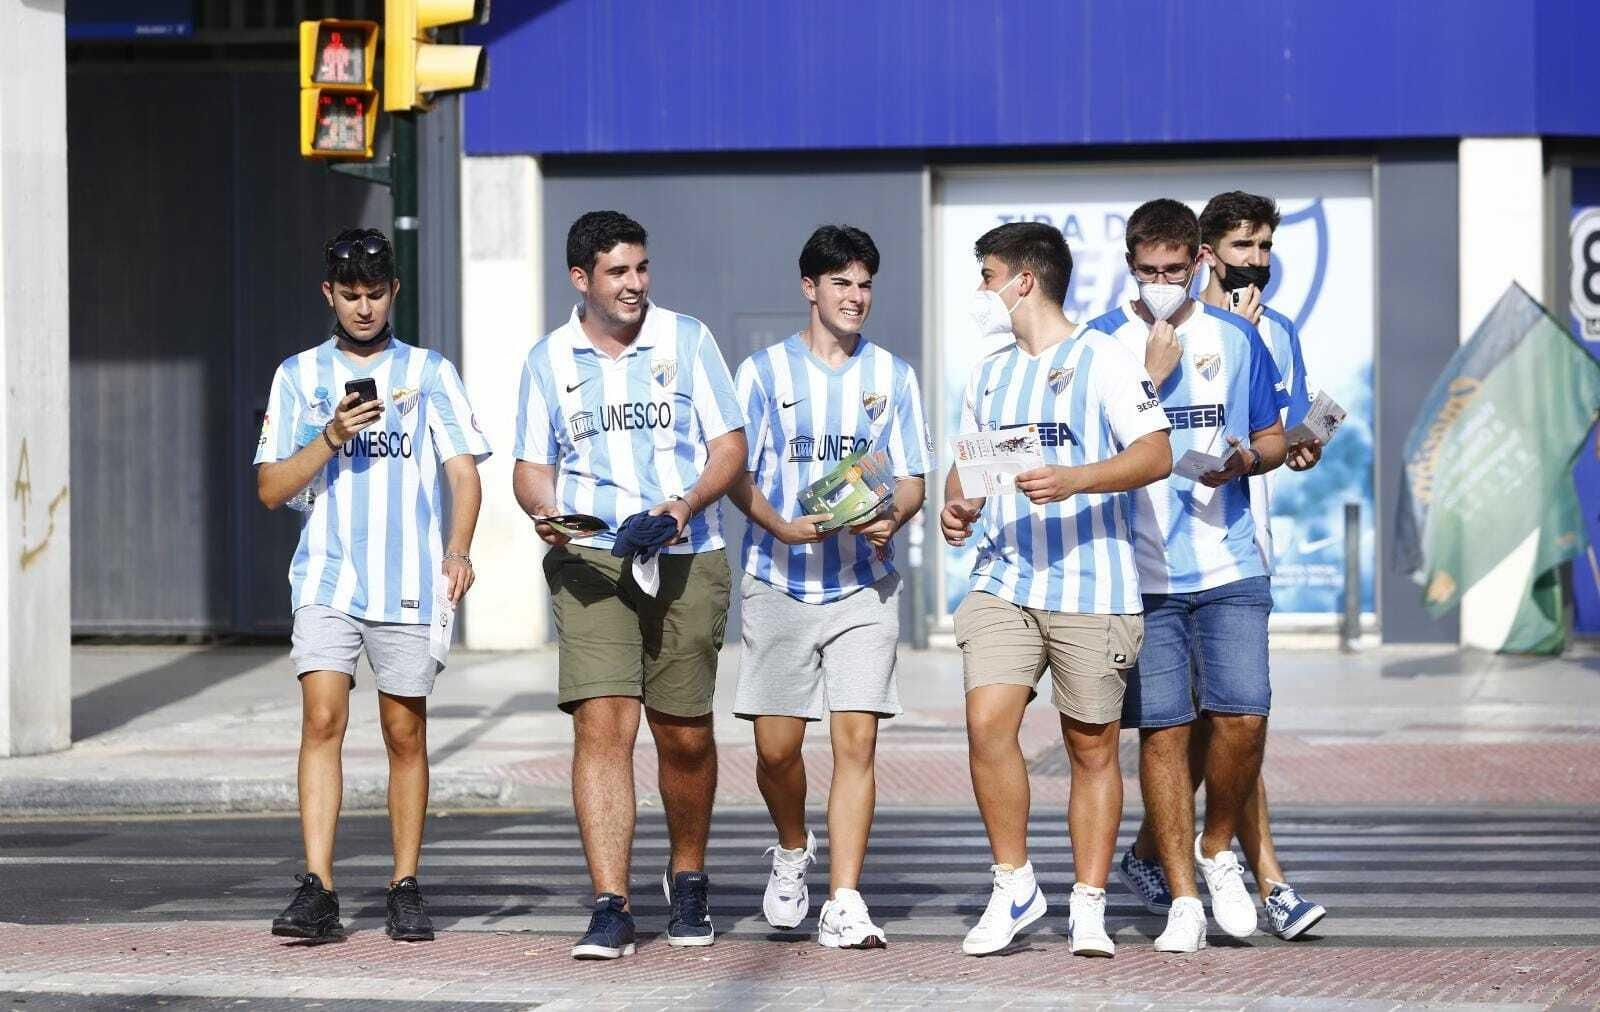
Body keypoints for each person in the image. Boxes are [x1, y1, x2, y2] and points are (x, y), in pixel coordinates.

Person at [512, 211, 747, 960]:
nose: (635, 284)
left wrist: (683, 505)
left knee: (683, 734)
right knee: (602, 725)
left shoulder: (688, 339)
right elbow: (529, 466)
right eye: (618, 272)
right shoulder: (547, 360)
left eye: (641, 268)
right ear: (581, 279)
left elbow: (728, 447)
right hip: (592, 561)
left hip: (684, 554)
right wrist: (545, 512)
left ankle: (689, 877)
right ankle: (612, 902)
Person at [941, 222, 1172, 957]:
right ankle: (1013, 883)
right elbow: (970, 467)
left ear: (1024, 281)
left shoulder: (1104, 359)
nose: (980, 290)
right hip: (1004, 580)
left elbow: (1155, 453)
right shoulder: (990, 371)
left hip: (1093, 587)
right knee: (987, 726)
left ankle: (1090, 902)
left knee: (1091, 747)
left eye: (987, 275)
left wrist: (1075, 478)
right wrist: (957, 503)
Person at [255, 227, 489, 943]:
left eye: (375, 294)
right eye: (350, 295)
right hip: (327, 576)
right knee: (322, 718)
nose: (363, 308)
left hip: (409, 581)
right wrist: (328, 437)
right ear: (329, 294)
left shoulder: (429, 372)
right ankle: (318, 887)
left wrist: (458, 547)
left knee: (403, 730)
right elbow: (270, 488)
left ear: (394, 293)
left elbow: (463, 470)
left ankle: (404, 885)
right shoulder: (298, 375)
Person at [1085, 199, 1289, 953]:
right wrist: (1146, 373)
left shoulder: (1235, 338)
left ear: (1199, 262)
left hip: (1230, 559)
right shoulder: (1102, 342)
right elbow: (1091, 441)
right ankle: (1181, 898)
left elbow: (1272, 435)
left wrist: (1249, 458)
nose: (1164, 282)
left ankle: (1218, 850)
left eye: (1176, 269)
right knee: (1165, 734)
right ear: (1130, 265)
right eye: (1149, 270)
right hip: (1142, 575)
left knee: (1244, 717)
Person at [728, 225, 930, 950]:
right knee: (778, 751)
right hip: (778, 581)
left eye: (865, 283)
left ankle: (845, 898)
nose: (856, 296)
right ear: (809, 288)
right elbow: (733, 469)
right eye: (841, 282)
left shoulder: (893, 377)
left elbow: (910, 478)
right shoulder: (760, 375)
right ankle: (791, 850)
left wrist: (890, 519)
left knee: (856, 741)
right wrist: (779, 525)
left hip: (862, 590)